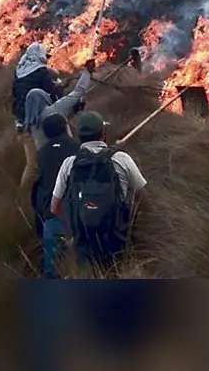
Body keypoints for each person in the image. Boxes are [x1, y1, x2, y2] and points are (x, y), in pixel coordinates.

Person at [51, 111, 148, 274]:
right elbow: (144, 199)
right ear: (103, 133)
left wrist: (75, 227)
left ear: (78, 136)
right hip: (118, 237)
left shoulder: (69, 164)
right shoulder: (122, 159)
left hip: (83, 241)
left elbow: (54, 207)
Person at [20, 58, 94, 187]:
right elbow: (78, 91)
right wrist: (87, 72)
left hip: (47, 164)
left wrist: (71, 112)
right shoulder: (53, 110)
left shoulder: (31, 124)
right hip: (64, 157)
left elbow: (57, 122)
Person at [31, 112, 80, 278]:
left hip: (50, 212)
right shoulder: (77, 147)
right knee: (78, 260)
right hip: (74, 212)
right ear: (65, 127)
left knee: (51, 264)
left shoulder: (41, 153)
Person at [11, 43, 62, 129]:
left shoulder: (19, 70)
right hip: (36, 113)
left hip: (20, 111)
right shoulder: (42, 72)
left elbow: (14, 92)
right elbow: (51, 91)